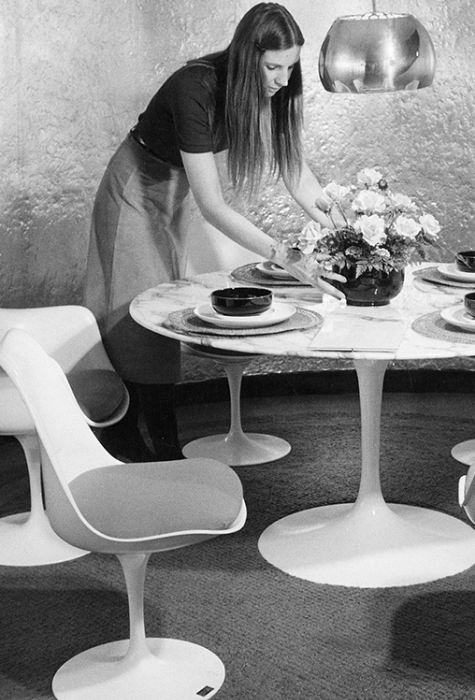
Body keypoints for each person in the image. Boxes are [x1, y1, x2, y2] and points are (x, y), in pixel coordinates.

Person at [84, 2, 341, 462]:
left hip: (175, 191)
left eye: (290, 66)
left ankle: (161, 445)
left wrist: (344, 228)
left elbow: (297, 176)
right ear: (248, 57)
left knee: (164, 310)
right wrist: (289, 257)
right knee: (134, 313)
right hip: (135, 188)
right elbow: (214, 206)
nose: (283, 79)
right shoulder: (195, 86)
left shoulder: (271, 90)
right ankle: (134, 442)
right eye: (273, 66)